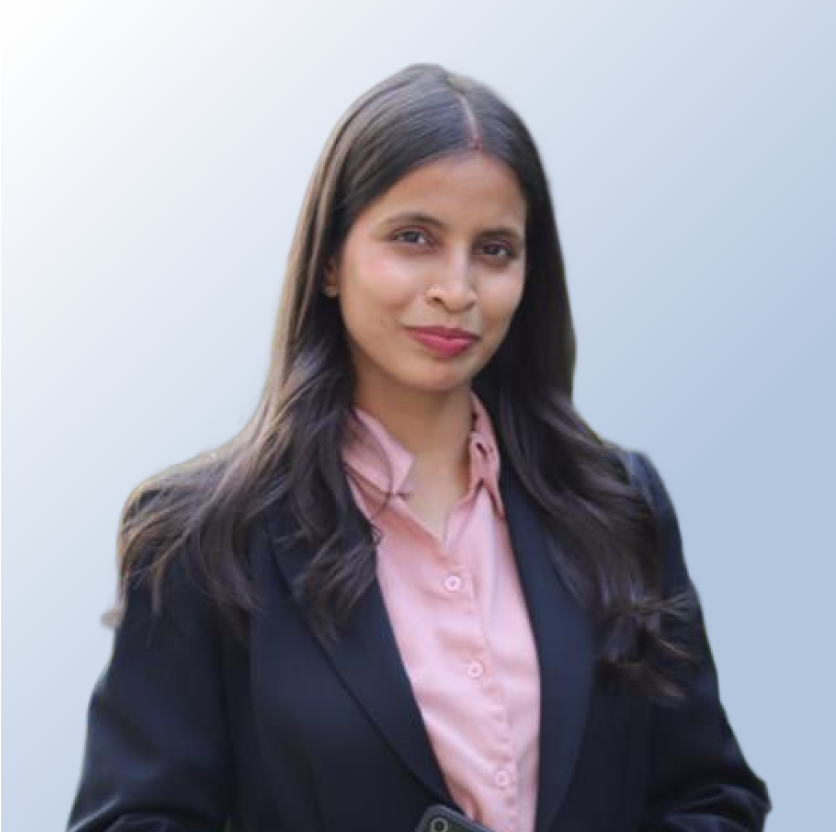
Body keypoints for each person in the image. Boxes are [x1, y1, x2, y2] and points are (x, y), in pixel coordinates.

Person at [65, 63, 771, 832]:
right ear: (329, 260)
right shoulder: (202, 540)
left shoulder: (619, 508)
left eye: (494, 249)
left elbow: (710, 798)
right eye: (414, 239)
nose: (456, 289)